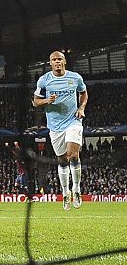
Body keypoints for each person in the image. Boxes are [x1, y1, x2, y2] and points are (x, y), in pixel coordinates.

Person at [33, 50, 88, 211]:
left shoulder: (75, 77)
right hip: (55, 126)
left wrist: (81, 107)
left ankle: (76, 189)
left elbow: (83, 93)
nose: (57, 62)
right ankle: (65, 193)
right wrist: (46, 100)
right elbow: (35, 102)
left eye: (60, 59)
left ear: (64, 61)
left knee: (73, 155)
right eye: (54, 60)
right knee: (62, 160)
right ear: (50, 63)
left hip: (73, 121)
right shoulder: (44, 81)